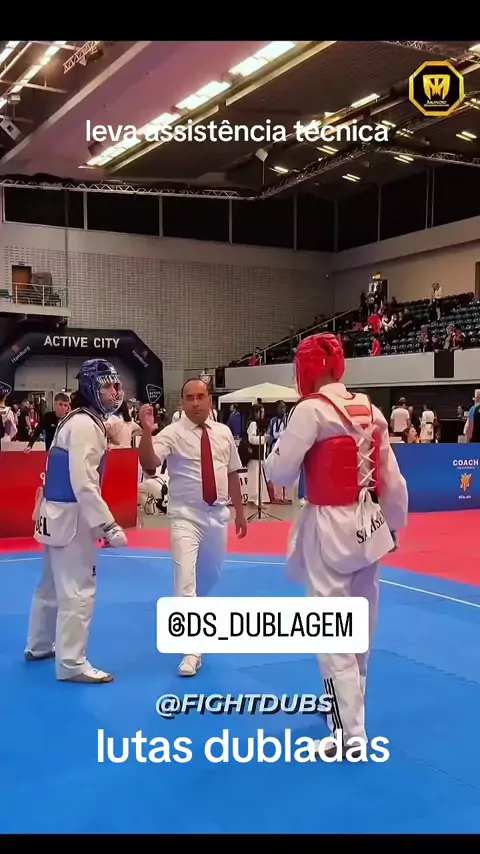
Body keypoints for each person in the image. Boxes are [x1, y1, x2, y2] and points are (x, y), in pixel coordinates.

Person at [265, 333, 408, 756]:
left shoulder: (310, 410)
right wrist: (394, 526)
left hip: (329, 526)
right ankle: (348, 714)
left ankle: (349, 734)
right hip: (370, 524)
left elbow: (281, 473)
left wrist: (274, 454)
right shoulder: (371, 410)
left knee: (331, 632)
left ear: (306, 369)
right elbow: (393, 479)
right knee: (360, 627)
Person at [25, 359, 128, 683]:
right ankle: (72, 663)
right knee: (79, 590)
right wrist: (108, 525)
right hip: (71, 518)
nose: (115, 393)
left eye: (116, 386)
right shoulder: (85, 425)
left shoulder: (76, 419)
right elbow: (84, 482)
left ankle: (39, 645)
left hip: (54, 513)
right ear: (91, 389)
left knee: (50, 586)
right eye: (108, 386)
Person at [138, 378, 248, 676]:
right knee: (185, 581)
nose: (196, 403)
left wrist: (240, 512)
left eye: (201, 396)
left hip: (217, 517)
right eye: (190, 397)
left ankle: (194, 613)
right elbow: (149, 463)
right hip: (185, 517)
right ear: (182, 402)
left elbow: (233, 473)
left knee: (209, 577)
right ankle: (191, 651)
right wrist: (147, 433)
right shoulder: (172, 433)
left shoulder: (223, 432)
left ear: (210, 400)